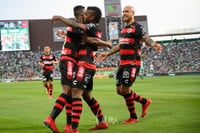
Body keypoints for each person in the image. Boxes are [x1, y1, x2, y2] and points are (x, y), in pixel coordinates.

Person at [44, 6, 111, 133]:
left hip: (84, 65)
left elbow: (90, 39)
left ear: (91, 17)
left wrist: (107, 44)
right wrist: (66, 35)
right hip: (83, 64)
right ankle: (101, 121)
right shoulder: (80, 30)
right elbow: (78, 34)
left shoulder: (91, 27)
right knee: (87, 96)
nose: (85, 15)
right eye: (84, 13)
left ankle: (72, 128)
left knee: (74, 93)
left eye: (87, 14)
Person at [96, 5, 162, 124]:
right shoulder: (123, 30)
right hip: (122, 63)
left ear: (133, 13)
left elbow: (145, 37)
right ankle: (144, 101)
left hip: (132, 63)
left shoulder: (138, 27)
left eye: (127, 11)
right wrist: (107, 54)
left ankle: (133, 117)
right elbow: (120, 45)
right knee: (119, 90)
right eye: (123, 11)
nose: (124, 13)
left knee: (125, 90)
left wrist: (153, 45)